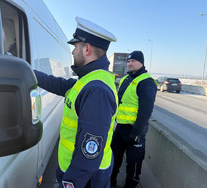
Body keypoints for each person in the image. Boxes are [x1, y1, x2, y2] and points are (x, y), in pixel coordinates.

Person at [34, 17, 118, 188]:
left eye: (75, 47)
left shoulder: (97, 90)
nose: (72, 52)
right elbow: (60, 84)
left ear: (86, 48)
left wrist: (69, 183)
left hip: (85, 180)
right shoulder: (89, 79)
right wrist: (28, 71)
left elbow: (90, 152)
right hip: (80, 174)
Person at [110, 51, 157, 188]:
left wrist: (136, 133)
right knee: (114, 159)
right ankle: (111, 183)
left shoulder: (147, 82)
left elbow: (145, 112)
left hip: (135, 130)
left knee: (134, 164)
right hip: (120, 128)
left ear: (141, 62)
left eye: (133, 61)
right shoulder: (126, 79)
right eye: (128, 61)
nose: (129, 64)